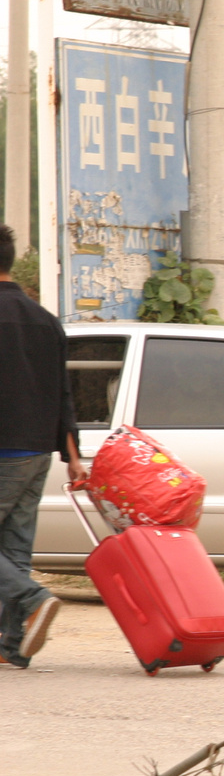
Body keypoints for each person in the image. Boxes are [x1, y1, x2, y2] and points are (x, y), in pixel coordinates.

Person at [0, 224, 85, 668]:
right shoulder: (45, 320)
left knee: (11, 552)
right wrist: (73, 456)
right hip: (37, 453)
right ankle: (10, 646)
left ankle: (33, 600)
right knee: (13, 548)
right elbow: (64, 393)